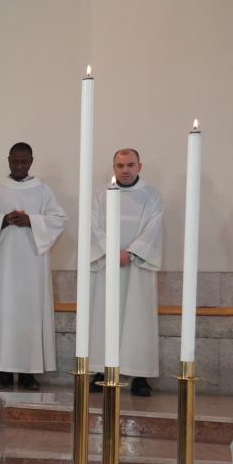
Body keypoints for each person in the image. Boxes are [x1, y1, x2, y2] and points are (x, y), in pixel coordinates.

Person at [0, 143, 67, 390]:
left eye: (24, 162)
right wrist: (3, 220)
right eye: (15, 161)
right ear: (8, 160)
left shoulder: (43, 191)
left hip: (33, 265)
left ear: (31, 161)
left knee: (30, 316)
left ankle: (28, 373)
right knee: (4, 314)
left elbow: (59, 219)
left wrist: (31, 220)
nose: (19, 166)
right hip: (4, 266)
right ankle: (3, 372)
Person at [88, 149, 162, 397]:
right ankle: (102, 371)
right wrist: (111, 253)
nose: (125, 170)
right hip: (107, 268)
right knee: (104, 316)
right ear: (114, 168)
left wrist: (130, 253)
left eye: (130, 165)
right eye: (120, 166)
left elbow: (154, 228)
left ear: (140, 166)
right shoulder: (101, 196)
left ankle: (139, 376)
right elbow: (92, 226)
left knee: (138, 319)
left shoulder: (151, 196)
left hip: (138, 267)